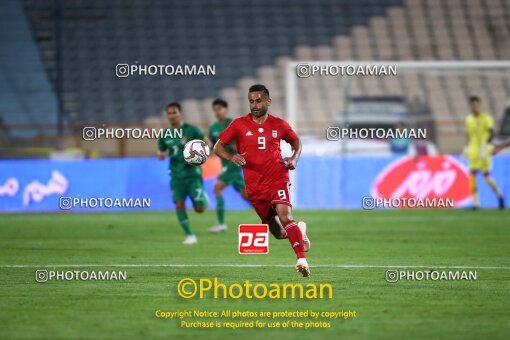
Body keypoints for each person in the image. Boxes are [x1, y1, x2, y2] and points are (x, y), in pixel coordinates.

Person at [213, 84, 311, 277]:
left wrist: (293, 158)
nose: (255, 104)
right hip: (255, 187)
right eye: (251, 101)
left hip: (277, 178)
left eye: (258, 100)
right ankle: (300, 233)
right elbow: (218, 146)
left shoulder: (279, 124)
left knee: (285, 216)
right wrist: (231, 157)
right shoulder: (239, 125)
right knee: (278, 232)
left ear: (268, 101)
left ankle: (301, 260)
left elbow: (296, 142)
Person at [157, 102, 208, 244]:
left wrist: (195, 157)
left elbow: (207, 143)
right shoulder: (164, 133)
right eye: (169, 113)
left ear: (181, 114)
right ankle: (190, 235)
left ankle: (202, 198)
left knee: (200, 209)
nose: (172, 115)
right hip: (176, 175)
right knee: (179, 204)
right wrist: (161, 154)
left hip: (193, 175)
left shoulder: (191, 130)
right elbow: (161, 150)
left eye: (175, 112)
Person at [208, 98, 250, 233]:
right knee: (246, 195)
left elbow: (243, 142)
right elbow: (212, 146)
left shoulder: (233, 124)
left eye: (219, 109)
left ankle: (221, 224)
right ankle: (269, 217)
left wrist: (232, 145)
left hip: (234, 164)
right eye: (215, 109)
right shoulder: (213, 128)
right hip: (225, 164)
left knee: (217, 189)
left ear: (226, 110)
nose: (217, 112)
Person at [464, 96, 504, 210]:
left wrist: (486, 144)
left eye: (476, 104)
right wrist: (466, 147)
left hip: (484, 150)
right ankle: (476, 203)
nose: (474, 107)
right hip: (473, 150)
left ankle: (499, 195)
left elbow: (492, 132)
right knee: (472, 175)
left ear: (479, 105)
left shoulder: (486, 118)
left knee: (486, 177)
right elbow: (467, 134)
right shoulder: (468, 119)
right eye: (472, 105)